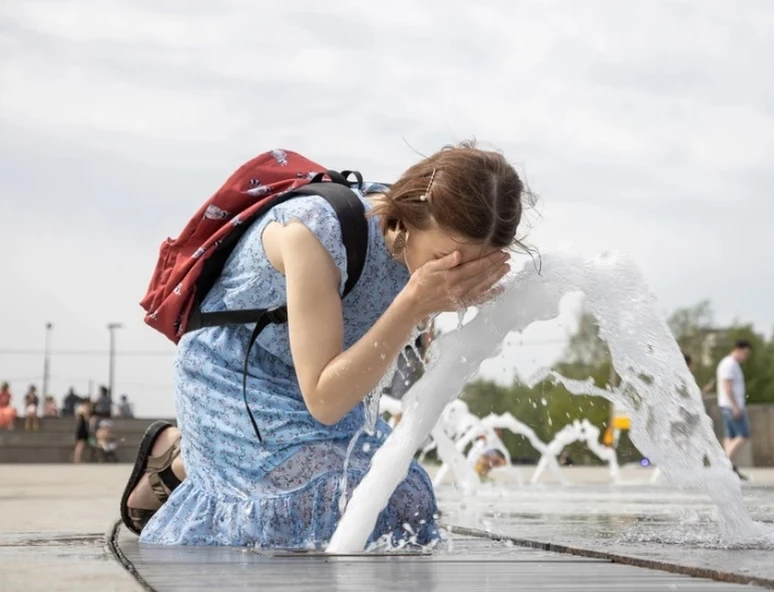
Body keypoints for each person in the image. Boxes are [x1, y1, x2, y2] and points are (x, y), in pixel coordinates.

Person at [120, 142, 530, 548]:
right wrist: (413, 304)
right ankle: (182, 456)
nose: (455, 273)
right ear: (412, 216)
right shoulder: (315, 232)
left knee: (406, 503)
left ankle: (185, 460)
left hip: (321, 378)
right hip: (237, 375)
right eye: (446, 257)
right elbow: (324, 399)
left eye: (473, 264)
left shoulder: (422, 251)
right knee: (307, 508)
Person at [716, 340, 752, 480]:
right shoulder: (729, 364)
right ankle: (725, 463)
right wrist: (736, 406)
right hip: (731, 406)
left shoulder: (730, 364)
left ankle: (730, 467)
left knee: (730, 437)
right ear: (738, 349)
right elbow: (727, 386)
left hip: (727, 405)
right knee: (744, 435)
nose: (746, 357)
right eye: (746, 353)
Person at [74, 399, 92, 464]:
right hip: (82, 427)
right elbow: (86, 417)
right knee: (80, 445)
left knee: (80, 445)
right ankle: (77, 460)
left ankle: (78, 459)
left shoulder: (79, 408)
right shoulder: (83, 408)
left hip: (81, 426)